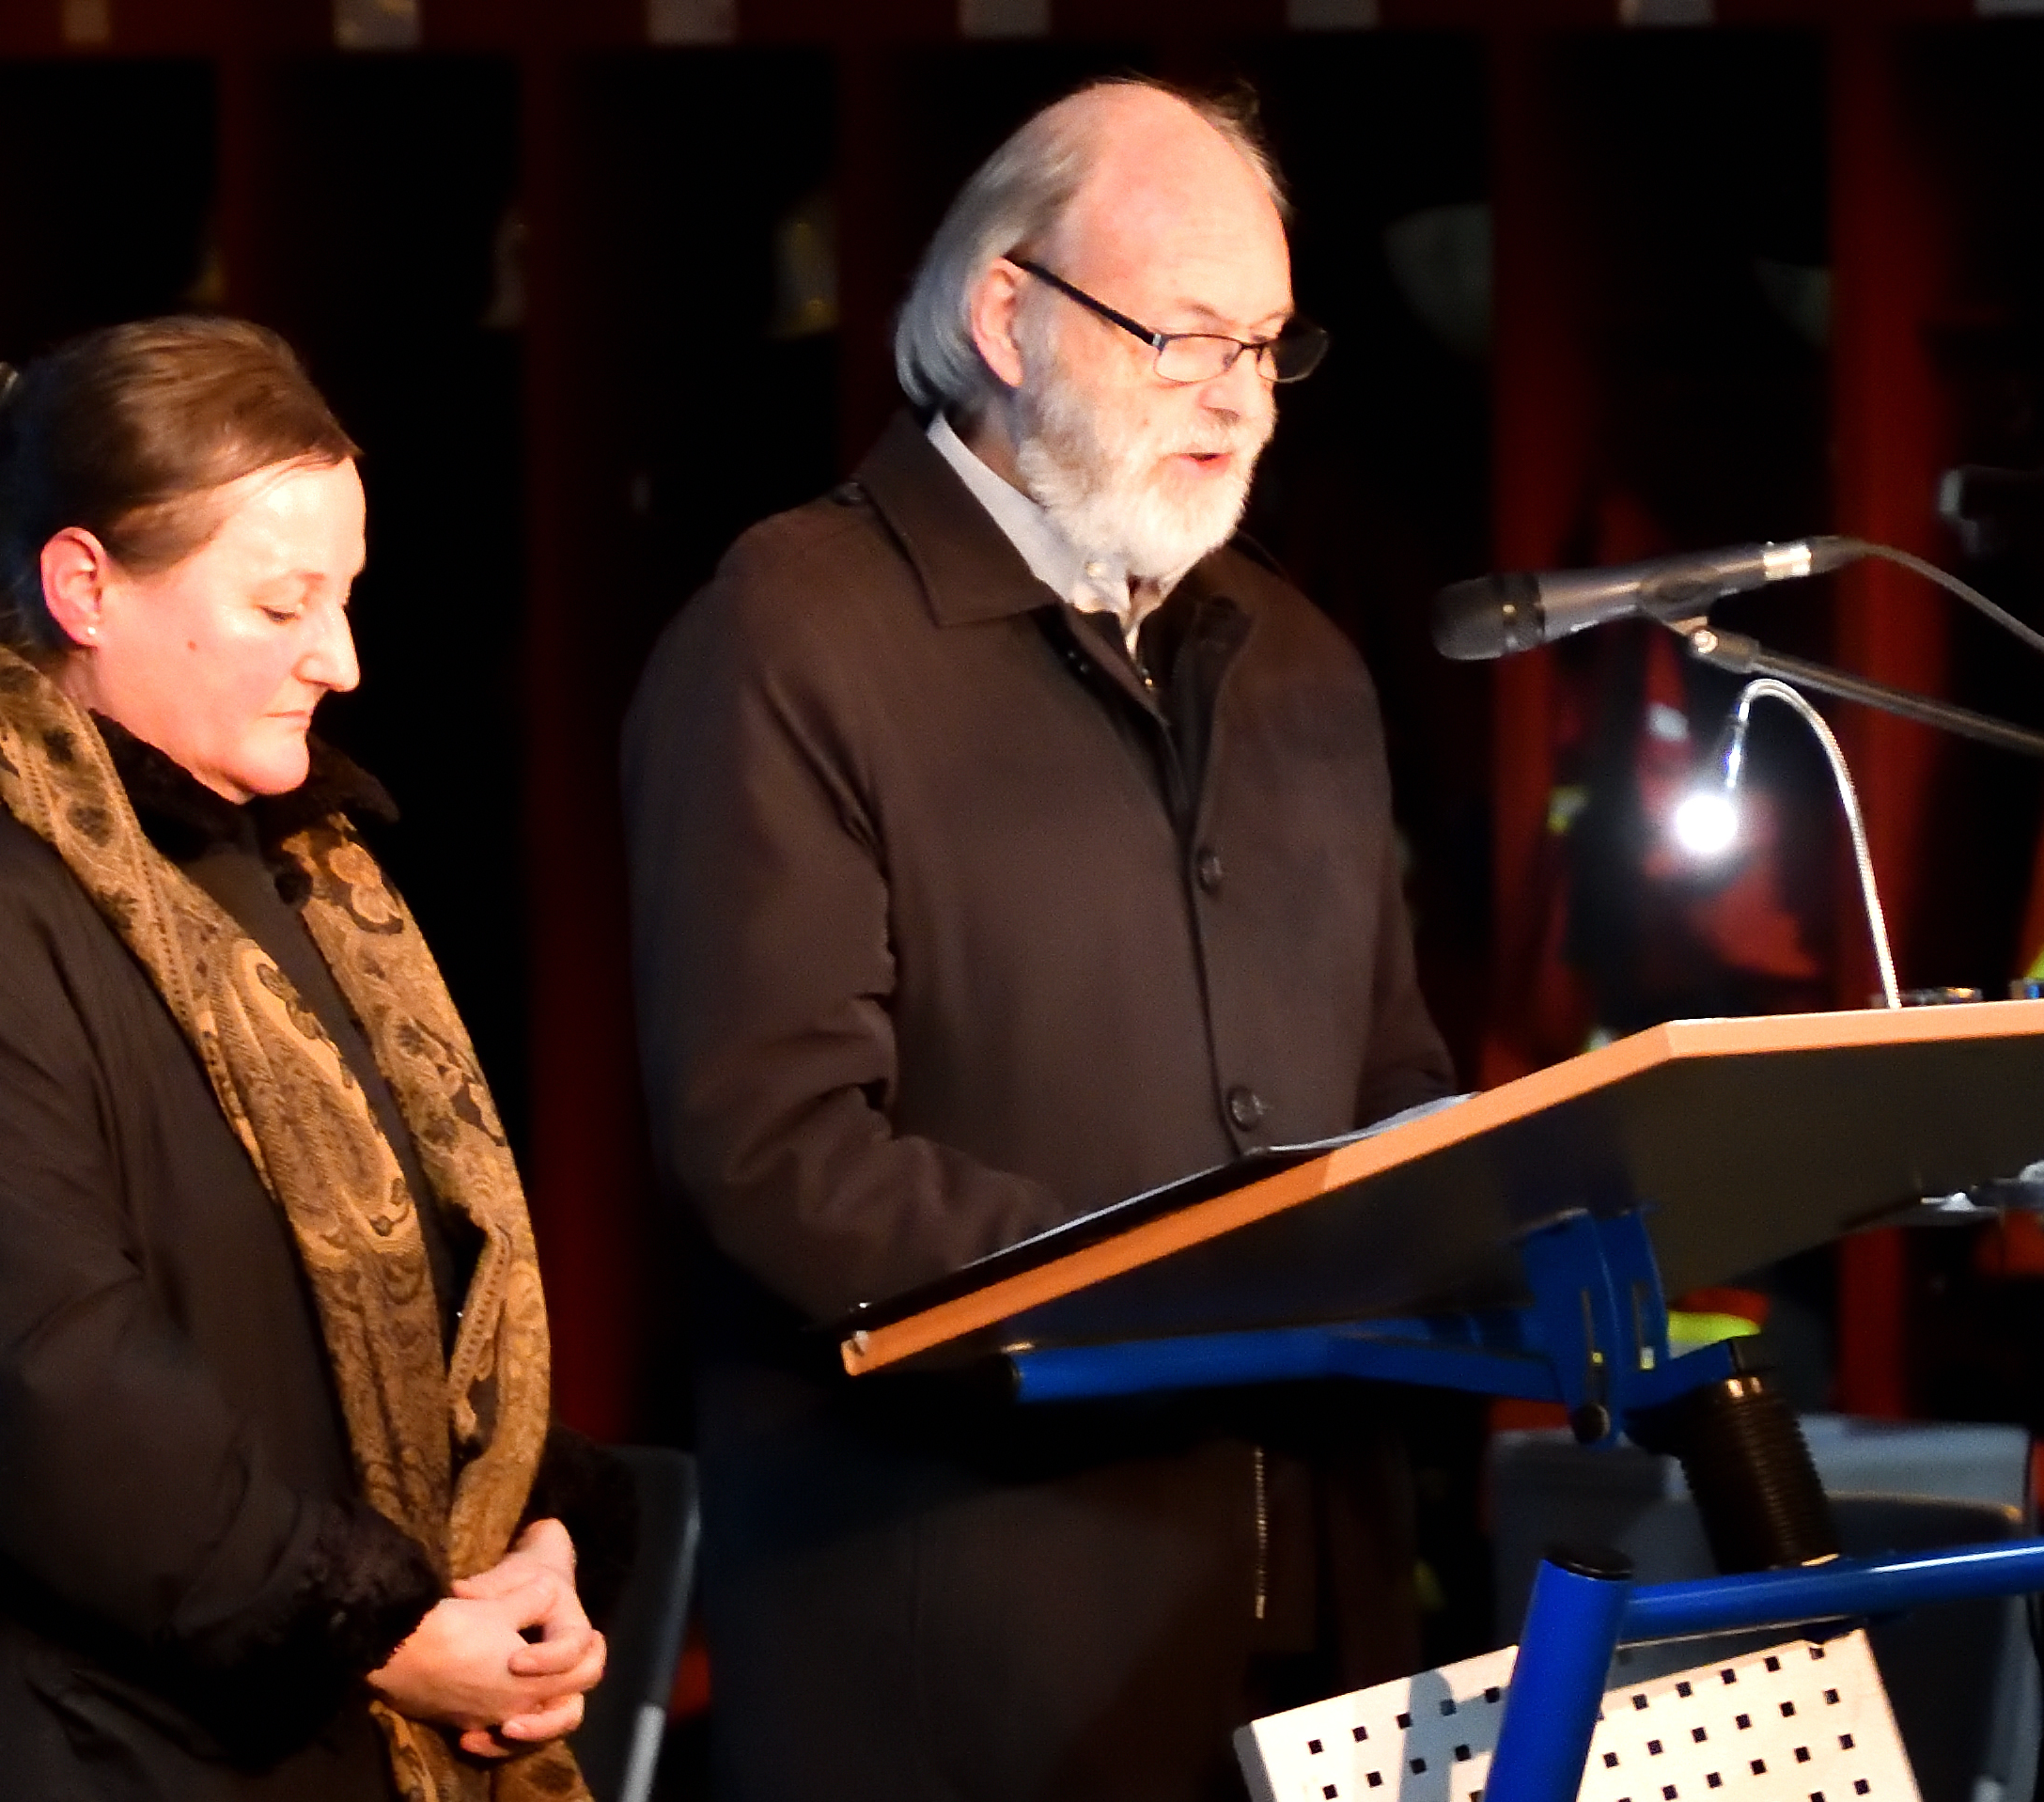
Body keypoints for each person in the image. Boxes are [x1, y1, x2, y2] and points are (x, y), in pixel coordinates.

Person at [622, 80, 1456, 1802]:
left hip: (1323, 1624)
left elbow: (1391, 1074)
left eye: (1267, 347)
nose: (1239, 399)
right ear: (1008, 317)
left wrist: (1483, 1197)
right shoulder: (789, 637)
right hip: (974, 1656)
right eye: (1186, 338)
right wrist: (1190, 1282)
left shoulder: (1300, 662)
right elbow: (776, 1145)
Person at [0, 317, 629, 1802]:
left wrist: (531, 1538)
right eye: (283, 603)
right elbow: (47, 1393)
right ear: (85, 586)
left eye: (344, 596)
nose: (340, 659)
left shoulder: (296, 884)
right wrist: (389, 1628)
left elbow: (408, 1305)